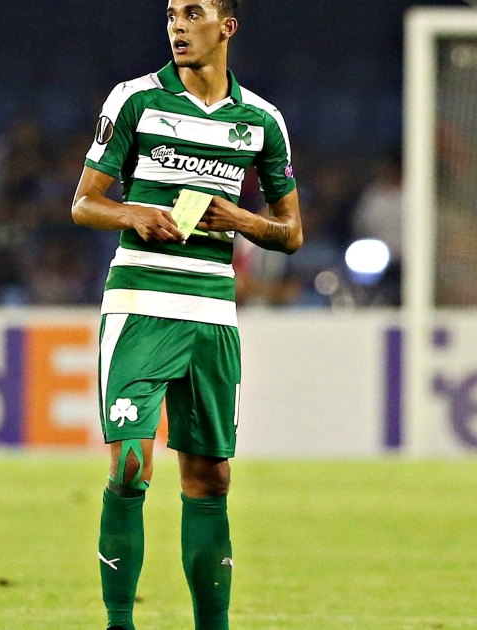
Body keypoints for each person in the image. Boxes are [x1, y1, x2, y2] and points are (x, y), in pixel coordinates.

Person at [69, 1, 303, 628]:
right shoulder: (135, 100)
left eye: (192, 12)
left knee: (210, 478)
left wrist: (242, 219)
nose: (176, 24)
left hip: (212, 311)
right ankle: (120, 622)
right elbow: (85, 204)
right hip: (140, 303)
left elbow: (290, 233)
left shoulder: (261, 120)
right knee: (130, 464)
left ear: (226, 27)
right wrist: (133, 214)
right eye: (172, 13)